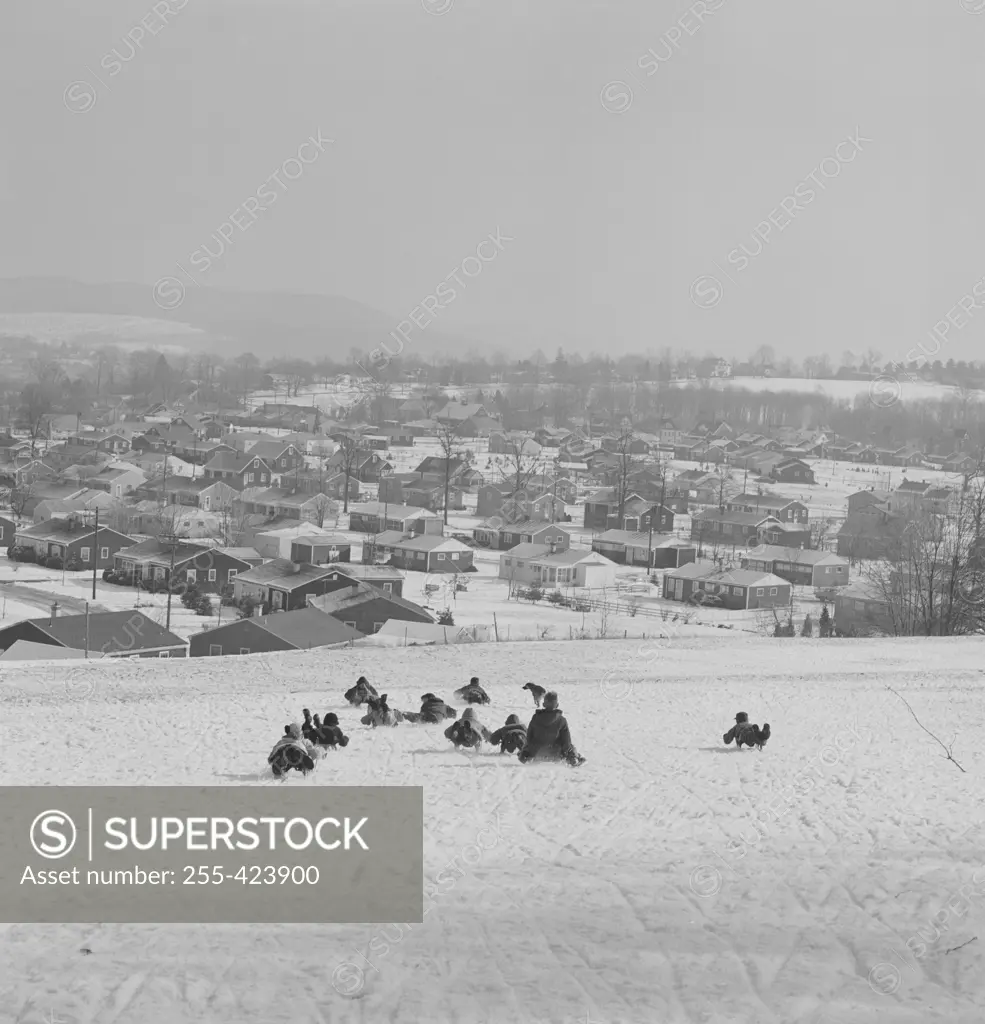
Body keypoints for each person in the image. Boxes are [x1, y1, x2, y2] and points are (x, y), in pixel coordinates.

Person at [518, 692, 585, 766]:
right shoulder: (561, 720)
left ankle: (524, 757)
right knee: (570, 746)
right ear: (557, 705)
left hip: (537, 753)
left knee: (528, 743)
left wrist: (530, 750)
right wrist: (567, 752)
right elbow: (566, 741)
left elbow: (529, 736)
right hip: (555, 754)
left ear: (543, 705)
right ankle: (573, 759)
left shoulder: (535, 718)